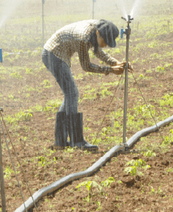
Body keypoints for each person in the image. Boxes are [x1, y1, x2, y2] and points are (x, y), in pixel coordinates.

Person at [42, 19, 132, 150]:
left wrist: (116, 63)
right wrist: (111, 70)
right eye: (105, 41)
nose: (106, 45)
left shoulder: (97, 28)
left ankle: (60, 141)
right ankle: (76, 141)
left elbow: (98, 50)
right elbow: (86, 66)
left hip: (57, 54)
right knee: (72, 94)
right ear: (97, 34)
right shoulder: (83, 37)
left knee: (70, 95)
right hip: (53, 54)